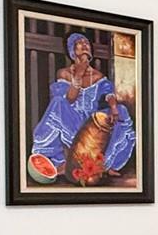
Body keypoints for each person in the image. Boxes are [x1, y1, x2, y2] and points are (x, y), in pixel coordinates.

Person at [31, 33, 135, 180]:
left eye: (86, 42)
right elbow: (70, 99)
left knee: (122, 110)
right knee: (58, 102)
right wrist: (79, 73)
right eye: (80, 42)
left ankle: (107, 165)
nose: (85, 44)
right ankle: (58, 162)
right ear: (72, 50)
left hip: (91, 123)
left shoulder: (98, 76)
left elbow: (109, 94)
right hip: (70, 120)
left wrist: (113, 107)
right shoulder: (64, 73)